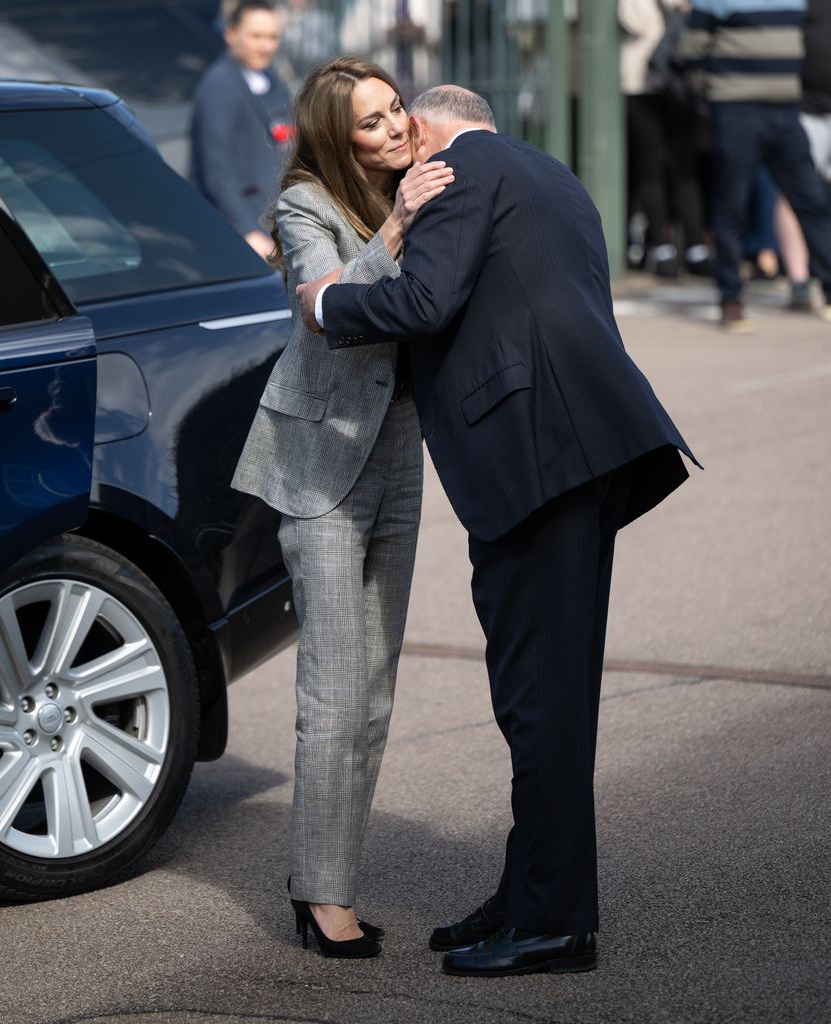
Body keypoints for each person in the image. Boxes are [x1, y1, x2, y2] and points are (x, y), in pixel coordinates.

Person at [298, 85, 699, 978]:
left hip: (536, 458)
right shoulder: (545, 169)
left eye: (407, 128)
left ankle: (554, 922)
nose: (401, 144)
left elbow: (425, 303)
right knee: (542, 692)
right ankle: (529, 892)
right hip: (576, 453)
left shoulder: (462, 170)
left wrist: (326, 304)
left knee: (542, 702)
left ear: (438, 128)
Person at [232, 57, 453, 959]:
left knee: (373, 690)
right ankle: (324, 898)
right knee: (333, 688)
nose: (396, 127)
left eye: (397, 108)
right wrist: (401, 222)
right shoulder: (304, 205)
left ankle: (329, 878)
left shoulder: (423, 181)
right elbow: (330, 309)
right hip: (319, 460)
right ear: (337, 136)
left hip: (399, 451)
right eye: (372, 121)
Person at [681, 0, 831, 331]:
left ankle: (828, 288)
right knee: (731, 206)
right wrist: (714, 95)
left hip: (786, 111)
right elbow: (691, 51)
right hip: (736, 110)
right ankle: (730, 299)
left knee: (811, 202)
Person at [190, 0, 292, 259]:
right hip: (241, 236)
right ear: (230, 34)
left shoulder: (271, 80)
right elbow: (217, 170)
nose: (266, 46)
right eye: (256, 36)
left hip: (273, 222)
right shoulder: (220, 85)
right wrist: (248, 231)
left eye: (272, 37)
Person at [619, 0, 712, 277]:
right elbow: (632, 21)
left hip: (678, 85)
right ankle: (661, 247)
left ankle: (695, 246)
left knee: (684, 168)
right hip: (641, 85)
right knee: (650, 168)